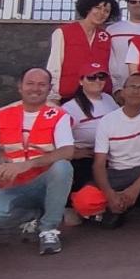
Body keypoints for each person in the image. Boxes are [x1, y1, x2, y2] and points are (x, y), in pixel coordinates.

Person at [0, 67, 76, 255]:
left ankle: (48, 230)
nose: (35, 89)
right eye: (30, 83)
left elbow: (68, 151)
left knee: (63, 167)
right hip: (13, 186)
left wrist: (28, 164)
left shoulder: (58, 115)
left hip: (45, 183)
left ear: (49, 88)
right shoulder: (1, 114)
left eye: (41, 85)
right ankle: (34, 216)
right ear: (20, 87)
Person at [70, 72, 140, 233]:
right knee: (83, 201)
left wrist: (135, 188)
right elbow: (98, 164)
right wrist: (109, 194)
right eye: (132, 86)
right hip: (118, 173)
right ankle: (118, 207)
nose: (136, 91)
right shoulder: (108, 121)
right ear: (123, 92)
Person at [46, 0, 118, 102]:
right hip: (69, 95)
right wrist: (53, 96)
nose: (101, 13)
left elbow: (112, 68)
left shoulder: (105, 37)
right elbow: (54, 66)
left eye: (106, 11)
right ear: (88, 8)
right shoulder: (63, 32)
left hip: (99, 96)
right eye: (97, 8)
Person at [59, 61, 116, 195]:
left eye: (101, 77)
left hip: (111, 152)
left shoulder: (108, 99)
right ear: (81, 81)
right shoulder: (69, 109)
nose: (97, 80)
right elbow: (55, 138)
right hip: (87, 158)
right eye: (91, 77)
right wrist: (74, 153)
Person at [105, 0, 140, 94]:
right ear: (128, 5)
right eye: (133, 1)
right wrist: (116, 89)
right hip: (120, 91)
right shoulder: (112, 30)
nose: (137, 4)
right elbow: (109, 62)